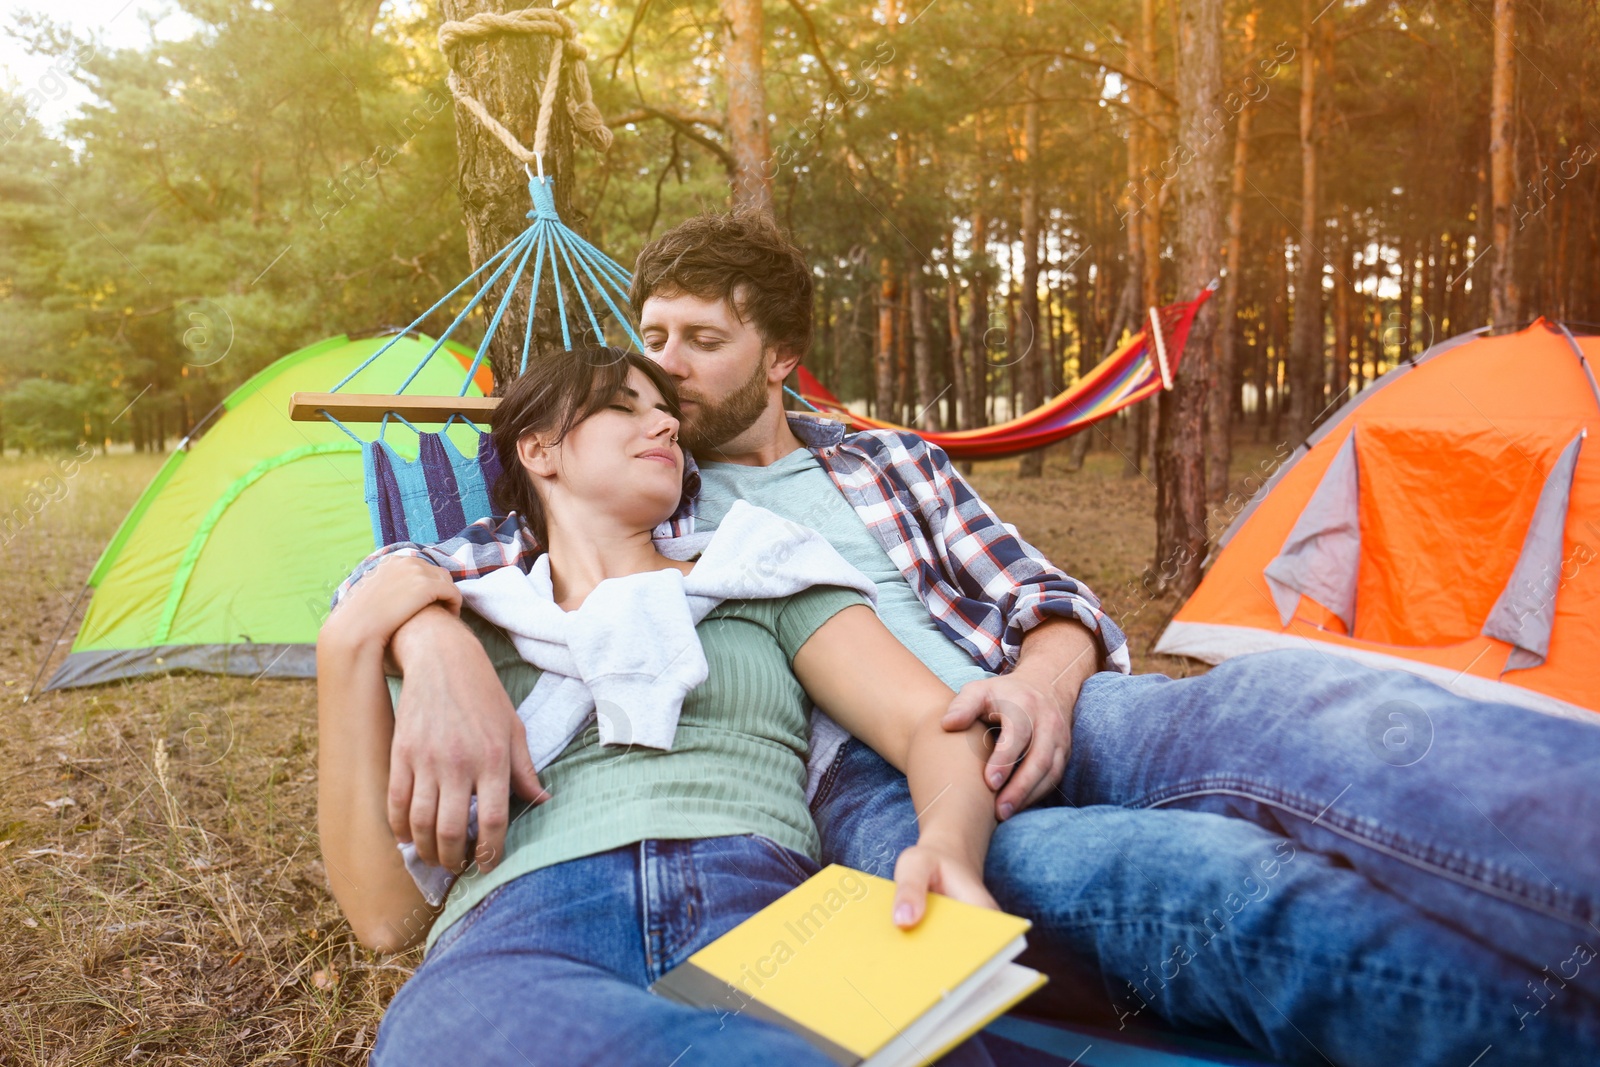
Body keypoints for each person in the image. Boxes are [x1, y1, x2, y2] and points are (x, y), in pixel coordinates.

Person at [335, 213, 1600, 1066]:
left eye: (694, 345)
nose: (661, 376)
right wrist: (432, 643)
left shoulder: (891, 462)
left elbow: (1048, 595)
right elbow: (411, 576)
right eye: (645, 346)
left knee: (1311, 709)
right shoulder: (647, 505)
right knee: (1210, 881)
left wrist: (1047, 676)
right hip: (872, 787)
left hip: (1031, 701)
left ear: (778, 357)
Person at [318, 346, 1006, 1064]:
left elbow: (933, 721)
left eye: (668, 415)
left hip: (765, 906)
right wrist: (386, 643)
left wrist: (945, 847)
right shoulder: (473, 621)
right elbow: (385, 915)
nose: (666, 426)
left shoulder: (756, 568)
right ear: (538, 449)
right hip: (520, 929)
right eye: (623, 406)